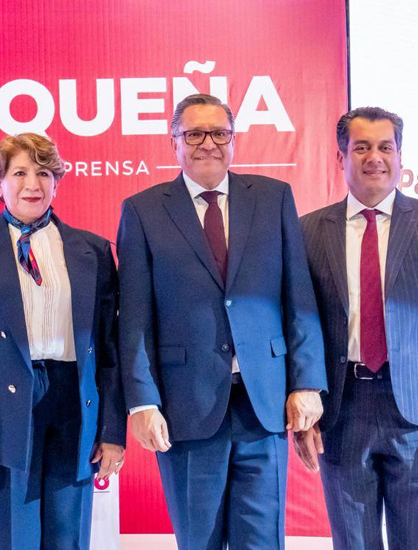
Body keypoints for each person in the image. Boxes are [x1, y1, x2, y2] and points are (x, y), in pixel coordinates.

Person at [117, 93, 327, 549]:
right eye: (194, 134)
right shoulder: (142, 210)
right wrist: (142, 402)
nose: (208, 144)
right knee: (200, 541)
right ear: (173, 141)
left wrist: (307, 382)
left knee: (263, 542)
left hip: (265, 406)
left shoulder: (273, 198)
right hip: (185, 409)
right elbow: (134, 318)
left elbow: (299, 297)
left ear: (234, 140)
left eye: (219, 133)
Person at [0, 133, 126, 550]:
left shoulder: (93, 250)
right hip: (5, 410)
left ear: (57, 182)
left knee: (68, 536)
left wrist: (113, 431)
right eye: (19, 173)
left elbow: (110, 349)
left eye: (44, 173)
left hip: (74, 403)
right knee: (16, 538)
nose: (32, 184)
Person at [297, 106, 418, 549]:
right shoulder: (308, 231)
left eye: (385, 147)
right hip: (341, 409)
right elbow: (300, 326)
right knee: (353, 542)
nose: (375, 157)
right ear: (341, 157)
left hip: (417, 412)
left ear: (400, 155)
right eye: (362, 147)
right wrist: (302, 405)